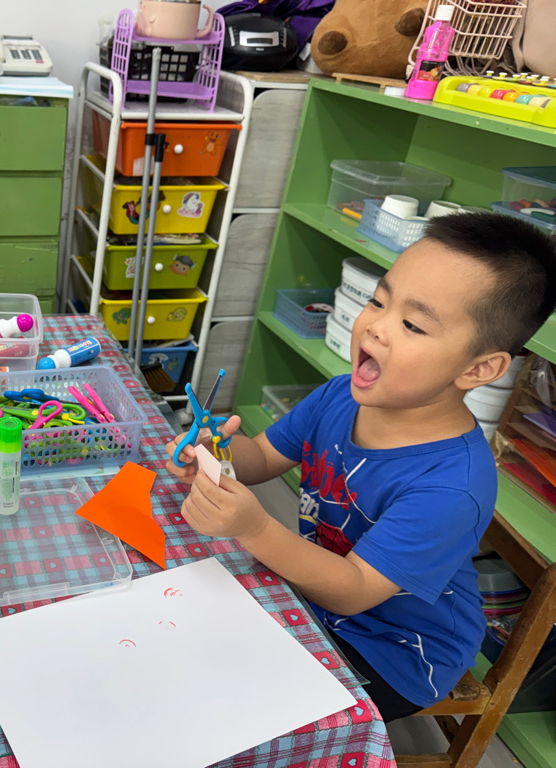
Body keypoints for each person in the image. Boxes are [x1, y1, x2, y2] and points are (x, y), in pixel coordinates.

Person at [165, 212, 556, 720]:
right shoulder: (339, 396)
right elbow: (260, 457)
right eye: (378, 300)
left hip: (397, 652)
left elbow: (354, 591)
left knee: (236, 711)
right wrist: (213, 451)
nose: (375, 326)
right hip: (317, 593)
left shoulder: (452, 486)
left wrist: (254, 527)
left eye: (413, 324)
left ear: (479, 368)